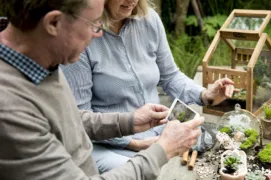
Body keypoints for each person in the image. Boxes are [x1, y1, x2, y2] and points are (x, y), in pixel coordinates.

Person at [0, 0, 204, 179]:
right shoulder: (10, 109)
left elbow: (70, 119)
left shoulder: (41, 58)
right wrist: (162, 151)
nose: (98, 34)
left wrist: (128, 121)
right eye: (94, 24)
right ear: (53, 23)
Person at [61, 0, 236, 172]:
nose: (132, 1)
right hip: (106, 144)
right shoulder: (83, 36)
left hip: (156, 132)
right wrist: (134, 144)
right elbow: (80, 120)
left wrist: (206, 95)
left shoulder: (149, 19)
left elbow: (170, 76)